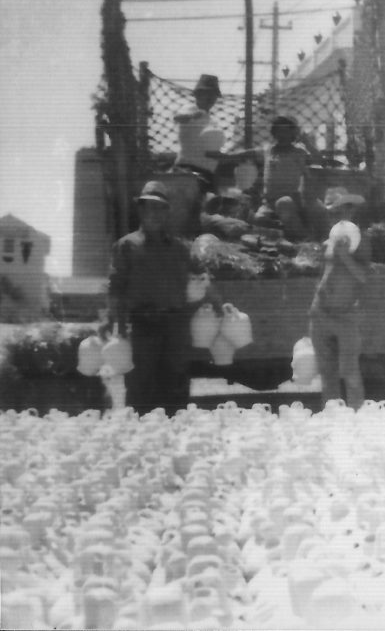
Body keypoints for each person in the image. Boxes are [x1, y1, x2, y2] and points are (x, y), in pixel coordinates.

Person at [106, 180, 194, 414]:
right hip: (143, 324)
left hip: (175, 326)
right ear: (141, 210)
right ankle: (141, 438)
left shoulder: (181, 249)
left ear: (167, 212)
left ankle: (178, 437)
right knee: (140, 388)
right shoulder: (126, 246)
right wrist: (114, 323)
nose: (154, 213)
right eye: (149, 207)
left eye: (160, 208)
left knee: (176, 386)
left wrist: (215, 301)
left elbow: (199, 280)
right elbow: (116, 288)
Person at [208, 115, 328, 241]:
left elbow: (319, 160)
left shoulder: (299, 153)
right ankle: (291, 233)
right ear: (274, 133)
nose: (282, 135)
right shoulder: (267, 151)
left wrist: (306, 142)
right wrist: (221, 156)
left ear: (293, 133)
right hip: (269, 203)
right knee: (258, 220)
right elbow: (236, 156)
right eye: (279, 131)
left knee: (293, 204)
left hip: (292, 200)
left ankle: (306, 239)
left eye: (287, 131)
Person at [309, 188, 370, 409]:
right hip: (321, 312)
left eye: (340, 211)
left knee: (350, 371)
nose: (336, 216)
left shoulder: (361, 241)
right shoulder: (328, 242)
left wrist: (345, 257)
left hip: (346, 315)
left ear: (350, 211)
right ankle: (332, 416)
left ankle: (357, 418)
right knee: (327, 373)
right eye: (332, 213)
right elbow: (324, 273)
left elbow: (363, 276)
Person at [173, 74, 223, 195]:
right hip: (188, 170)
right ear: (198, 94)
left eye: (214, 94)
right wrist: (192, 116)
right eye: (207, 93)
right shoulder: (190, 108)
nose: (211, 98)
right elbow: (178, 118)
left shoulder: (212, 121)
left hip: (208, 173)